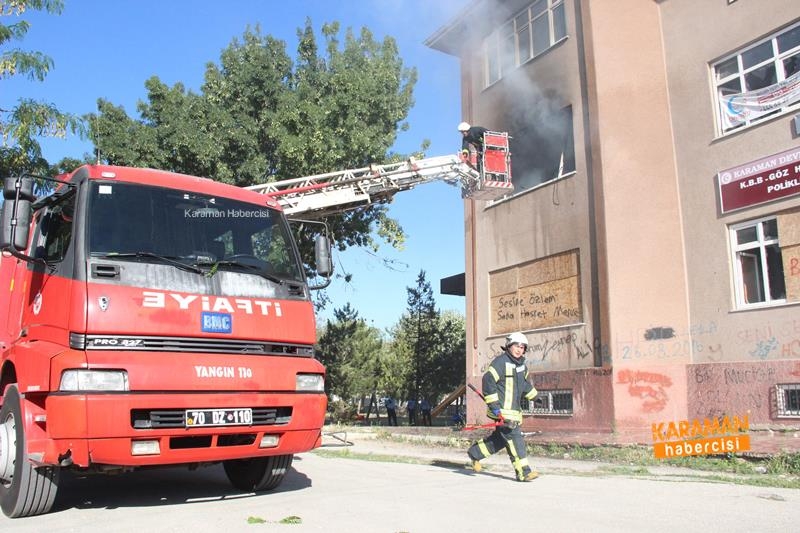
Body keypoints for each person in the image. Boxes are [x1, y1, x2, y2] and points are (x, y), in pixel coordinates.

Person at [467, 331, 539, 482]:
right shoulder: (500, 362)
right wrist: (494, 405)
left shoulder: (522, 366)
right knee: (515, 438)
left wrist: (534, 396)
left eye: (522, 347)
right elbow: (488, 380)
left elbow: (523, 385)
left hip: (514, 411)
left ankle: (475, 453)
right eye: (516, 346)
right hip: (502, 412)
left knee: (500, 440)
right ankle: (524, 472)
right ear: (508, 346)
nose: (519, 349)